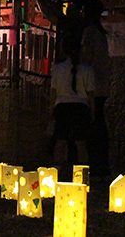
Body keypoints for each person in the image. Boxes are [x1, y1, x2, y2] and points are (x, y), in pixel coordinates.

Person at [50, 35, 95, 172]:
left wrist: (51, 110)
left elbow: (54, 92)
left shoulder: (58, 69)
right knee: (81, 143)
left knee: (60, 141)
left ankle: (56, 171)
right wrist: (92, 112)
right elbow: (91, 95)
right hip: (80, 107)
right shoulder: (87, 69)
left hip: (62, 106)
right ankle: (82, 174)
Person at [81, 0, 110, 177]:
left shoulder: (90, 32)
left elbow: (86, 58)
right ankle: (101, 164)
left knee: (92, 126)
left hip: (91, 87)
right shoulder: (101, 33)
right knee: (99, 125)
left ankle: (93, 165)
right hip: (102, 86)